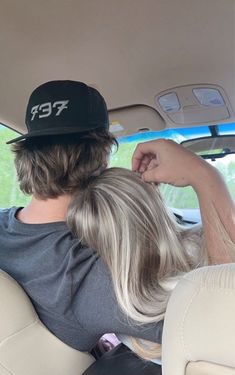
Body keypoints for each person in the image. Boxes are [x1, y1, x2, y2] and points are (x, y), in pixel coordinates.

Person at [0, 80, 163, 353]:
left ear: (27, 155)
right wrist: (204, 177)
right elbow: (210, 317)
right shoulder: (88, 275)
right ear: (102, 158)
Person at [67, 140, 235, 359]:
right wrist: (203, 175)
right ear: (153, 204)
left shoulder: (121, 310)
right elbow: (226, 296)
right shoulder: (201, 250)